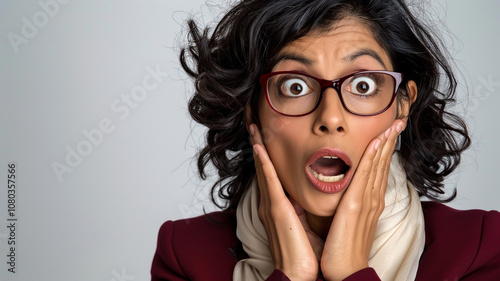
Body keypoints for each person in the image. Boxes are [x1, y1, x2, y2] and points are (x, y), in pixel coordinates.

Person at [151, 0, 500, 280]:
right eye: (295, 87)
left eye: (363, 85)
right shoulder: (185, 254)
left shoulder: (478, 249)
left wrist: (350, 271)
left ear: (401, 105)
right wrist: (291, 275)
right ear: (251, 111)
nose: (330, 118)